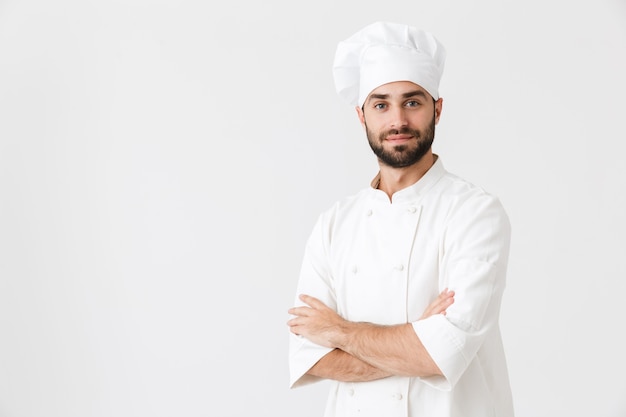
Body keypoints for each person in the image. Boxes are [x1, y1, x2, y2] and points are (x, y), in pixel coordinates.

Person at [286, 21, 514, 417]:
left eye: (412, 102)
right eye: (381, 104)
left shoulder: (476, 213)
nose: (397, 121)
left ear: (437, 109)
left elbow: (440, 354)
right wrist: (414, 340)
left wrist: (340, 332)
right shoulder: (334, 224)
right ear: (362, 116)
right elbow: (312, 358)